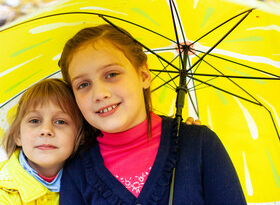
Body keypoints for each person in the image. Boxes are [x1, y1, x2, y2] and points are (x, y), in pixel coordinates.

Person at [58, 24, 246, 204]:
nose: (99, 94)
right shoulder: (76, 172)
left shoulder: (199, 145)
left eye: (111, 74)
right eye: (83, 85)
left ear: (144, 75)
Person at [0, 79, 84, 205]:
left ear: (80, 135)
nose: (46, 130)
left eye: (60, 121)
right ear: (18, 135)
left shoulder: (92, 186)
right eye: (35, 121)